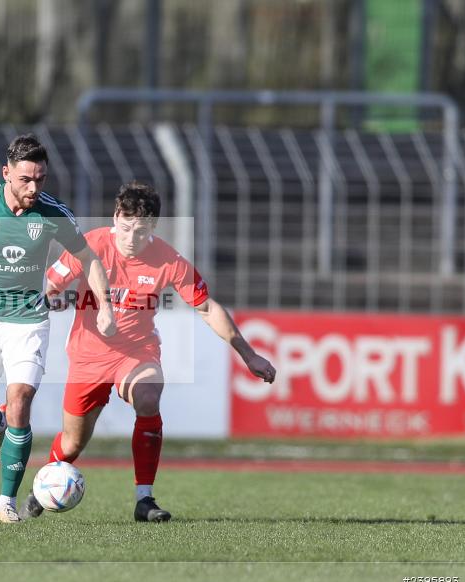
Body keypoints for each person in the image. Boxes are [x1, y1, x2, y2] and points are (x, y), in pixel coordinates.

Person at [20, 181, 276, 522]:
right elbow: (50, 287)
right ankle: (42, 490)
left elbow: (207, 308)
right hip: (88, 357)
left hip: (137, 352)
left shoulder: (169, 260)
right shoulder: (91, 244)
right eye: (125, 228)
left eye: (140, 231)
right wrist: (49, 300)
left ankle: (145, 499)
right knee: (71, 444)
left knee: (148, 397)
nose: (130, 238)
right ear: (115, 219)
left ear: (153, 227)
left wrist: (249, 355)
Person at [0, 134, 116, 524]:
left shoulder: (53, 213)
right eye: (25, 179)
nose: (33, 187)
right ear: (6, 173)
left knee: (21, 396)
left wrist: (105, 306)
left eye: (40, 179)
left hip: (27, 322)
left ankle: (6, 502)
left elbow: (88, 258)